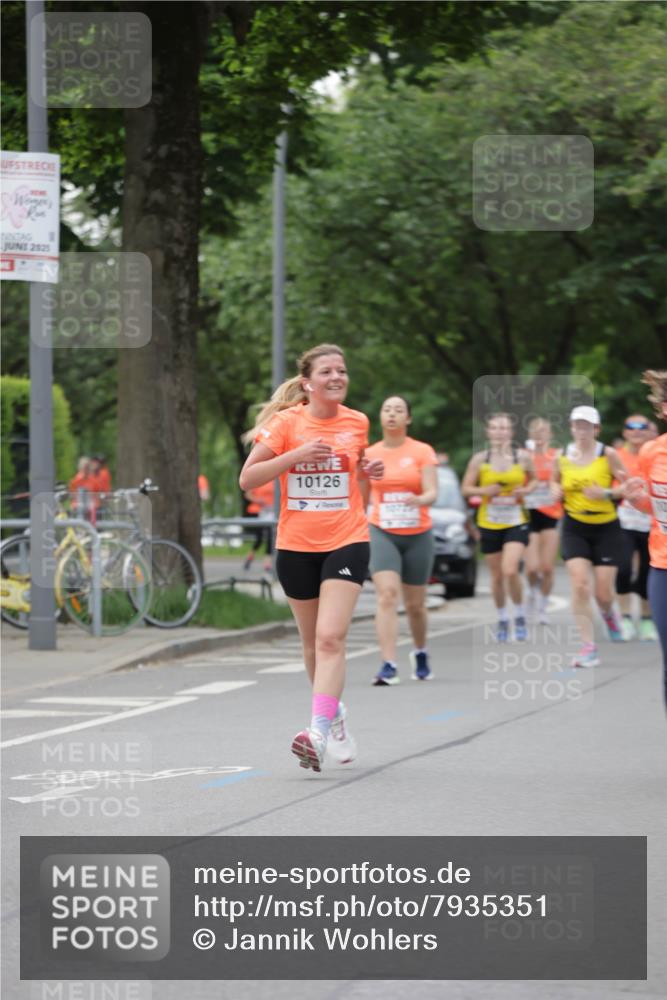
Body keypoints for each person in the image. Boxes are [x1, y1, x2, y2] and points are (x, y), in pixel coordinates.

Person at [239, 344, 383, 773]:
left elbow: (359, 481)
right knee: (310, 644)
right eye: (327, 371)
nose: (337, 377)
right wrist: (296, 455)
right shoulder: (287, 424)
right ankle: (335, 714)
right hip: (296, 544)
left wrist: (366, 475)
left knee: (330, 638)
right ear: (308, 382)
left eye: (342, 370)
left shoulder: (357, 421)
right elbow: (248, 479)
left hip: (347, 538)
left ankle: (317, 732)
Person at [361, 396, 438, 685]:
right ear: (381, 417)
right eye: (387, 410)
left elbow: (432, 491)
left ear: (408, 419)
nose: (392, 414)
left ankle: (420, 651)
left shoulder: (421, 451)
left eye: (399, 410)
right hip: (382, 530)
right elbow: (363, 497)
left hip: (418, 533)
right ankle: (389, 663)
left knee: (416, 605)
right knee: (387, 595)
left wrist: (419, 499)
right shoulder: (369, 453)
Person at [551, 405, 633, 668]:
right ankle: (588, 647)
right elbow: (554, 479)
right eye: (577, 425)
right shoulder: (562, 455)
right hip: (575, 526)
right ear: (571, 428)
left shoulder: (607, 454)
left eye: (587, 425)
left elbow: (628, 487)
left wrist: (606, 494)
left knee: (603, 593)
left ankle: (609, 615)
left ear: (596, 429)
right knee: (579, 584)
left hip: (606, 528)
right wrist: (555, 490)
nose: (581, 430)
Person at [461, 413, 535, 642]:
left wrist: (526, 490)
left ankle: (520, 614)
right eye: (496, 428)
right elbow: (466, 489)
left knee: (510, 569)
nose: (500, 432)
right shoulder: (479, 460)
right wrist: (483, 492)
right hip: (489, 521)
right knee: (496, 576)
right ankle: (503, 617)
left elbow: (534, 480)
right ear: (489, 432)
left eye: (504, 428)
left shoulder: (522, 457)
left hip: (516, 520)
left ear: (511, 433)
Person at [624, 371, 667, 705]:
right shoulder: (652, 452)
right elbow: (649, 507)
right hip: (663, 567)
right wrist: (636, 499)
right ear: (664, 409)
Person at [614, 415, 658, 641]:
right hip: (625, 521)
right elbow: (610, 490)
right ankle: (625, 616)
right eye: (631, 426)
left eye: (642, 427)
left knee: (646, 571)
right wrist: (624, 493)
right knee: (622, 568)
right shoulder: (618, 456)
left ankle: (648, 618)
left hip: (650, 522)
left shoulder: (655, 454)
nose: (637, 431)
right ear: (625, 432)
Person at [523, 418, 563, 624]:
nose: (539, 434)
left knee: (547, 567)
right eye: (535, 431)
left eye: (544, 431)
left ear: (550, 435)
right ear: (530, 434)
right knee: (532, 567)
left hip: (551, 514)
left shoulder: (557, 456)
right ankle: (531, 591)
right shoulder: (523, 456)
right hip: (529, 514)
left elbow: (564, 482)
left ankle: (543, 606)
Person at [243, 480, 275, 573]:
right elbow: (247, 494)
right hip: (258, 511)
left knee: (270, 537)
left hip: (270, 512)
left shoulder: (275, 481)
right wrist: (258, 500)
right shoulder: (260, 479)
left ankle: (267, 563)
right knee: (259, 538)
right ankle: (250, 556)